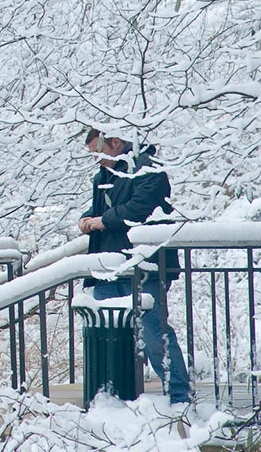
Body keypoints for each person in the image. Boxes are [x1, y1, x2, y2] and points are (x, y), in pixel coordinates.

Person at [78, 128, 191, 404]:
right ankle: (111, 396)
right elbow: (101, 208)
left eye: (97, 152)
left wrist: (103, 221)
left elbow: (139, 208)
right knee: (108, 333)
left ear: (115, 142)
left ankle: (179, 396)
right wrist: (87, 218)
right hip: (109, 266)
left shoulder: (149, 169)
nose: (96, 160)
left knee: (153, 332)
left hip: (144, 266)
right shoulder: (105, 176)